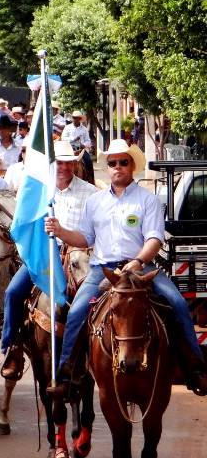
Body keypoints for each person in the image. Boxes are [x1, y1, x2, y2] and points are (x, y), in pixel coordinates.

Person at [45, 139, 207, 398]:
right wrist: (61, 231)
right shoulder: (95, 202)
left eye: (123, 162)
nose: (117, 167)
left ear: (132, 166)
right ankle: (66, 374)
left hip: (140, 268)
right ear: (107, 167)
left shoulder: (148, 200)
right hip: (102, 270)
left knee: (176, 303)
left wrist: (139, 261)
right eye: (112, 163)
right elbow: (85, 239)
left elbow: (154, 238)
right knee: (75, 312)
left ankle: (195, 369)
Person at [0, 141, 97, 379]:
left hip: (78, 254)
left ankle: (103, 348)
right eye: (59, 163)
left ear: (75, 164)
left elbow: (96, 230)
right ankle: (12, 347)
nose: (63, 167)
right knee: (13, 292)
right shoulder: (37, 192)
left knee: (102, 297)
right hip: (43, 256)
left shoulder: (91, 193)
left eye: (68, 163)